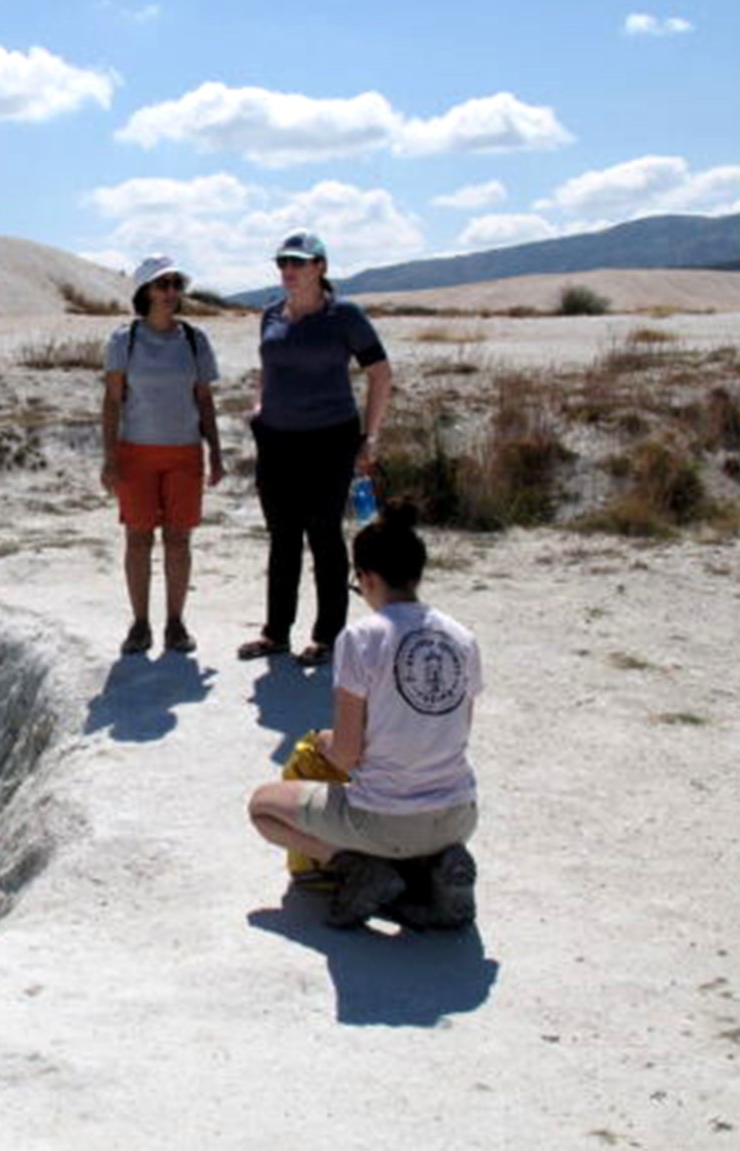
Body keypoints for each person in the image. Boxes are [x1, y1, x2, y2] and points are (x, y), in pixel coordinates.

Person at [246, 501, 482, 928]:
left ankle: (359, 868)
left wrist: (321, 740)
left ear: (368, 578)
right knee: (406, 823)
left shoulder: (361, 638)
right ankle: (431, 867)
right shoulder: (462, 638)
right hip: (459, 814)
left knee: (263, 807)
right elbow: (457, 729)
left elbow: (347, 756)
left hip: (385, 820)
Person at [237, 229, 393, 667]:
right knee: (282, 537)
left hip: (331, 438)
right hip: (277, 439)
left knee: (323, 533)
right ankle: (275, 632)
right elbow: (269, 368)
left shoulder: (345, 316)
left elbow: (380, 373)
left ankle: (328, 637)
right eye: (283, 263)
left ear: (320, 267)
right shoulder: (270, 315)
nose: (288, 270)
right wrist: (259, 407)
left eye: (298, 262)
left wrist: (371, 434)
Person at [100, 256, 225, 656]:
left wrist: (216, 453)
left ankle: (175, 623)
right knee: (137, 538)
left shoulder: (194, 339)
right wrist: (109, 457)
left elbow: (204, 400)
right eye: (163, 285)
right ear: (145, 292)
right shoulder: (124, 340)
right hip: (135, 452)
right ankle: (140, 624)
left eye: (175, 284)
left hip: (185, 452)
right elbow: (112, 402)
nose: (171, 293)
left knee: (178, 539)